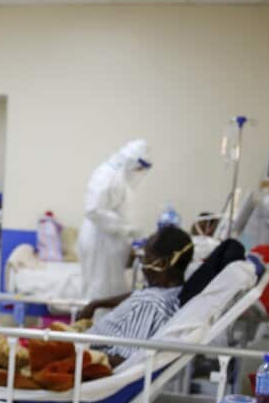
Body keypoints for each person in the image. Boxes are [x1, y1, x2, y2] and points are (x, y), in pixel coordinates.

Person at [77, 225, 193, 366]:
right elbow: (139, 293)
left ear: (161, 264)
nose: (142, 264)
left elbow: (127, 360)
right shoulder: (171, 292)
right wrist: (96, 303)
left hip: (81, 359)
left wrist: (79, 356)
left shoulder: (150, 305)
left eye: (146, 258)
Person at [78, 139, 151, 301]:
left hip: (109, 242)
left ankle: (106, 324)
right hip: (100, 242)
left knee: (110, 290)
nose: (138, 172)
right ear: (132, 161)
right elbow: (93, 209)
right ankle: (95, 325)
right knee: (100, 290)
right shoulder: (106, 174)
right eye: (138, 167)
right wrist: (126, 228)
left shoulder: (119, 177)